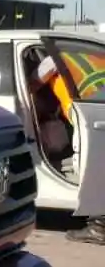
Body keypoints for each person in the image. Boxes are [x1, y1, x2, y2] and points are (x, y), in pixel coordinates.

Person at [36, 53, 105, 246]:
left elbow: (33, 82)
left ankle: (98, 227)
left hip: (82, 115)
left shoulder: (57, 57)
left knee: (91, 166)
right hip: (91, 112)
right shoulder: (91, 55)